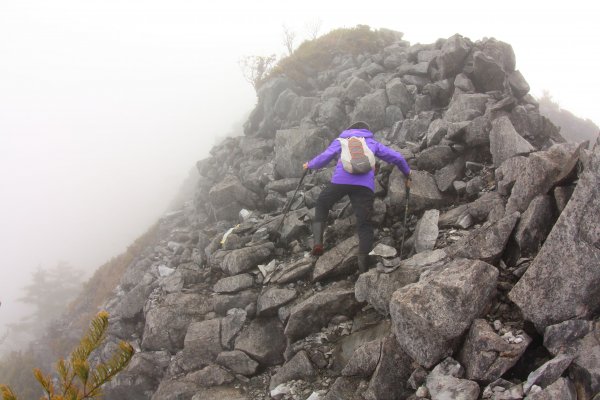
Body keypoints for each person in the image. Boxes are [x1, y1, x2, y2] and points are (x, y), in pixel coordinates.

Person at [303, 121, 412, 272]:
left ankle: (318, 244)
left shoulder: (341, 140)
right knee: (365, 224)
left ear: (350, 130)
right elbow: (397, 157)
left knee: (322, 203)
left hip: (340, 181)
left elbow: (325, 157)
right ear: (365, 131)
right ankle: (363, 269)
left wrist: (309, 165)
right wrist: (407, 173)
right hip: (364, 186)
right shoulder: (371, 142)